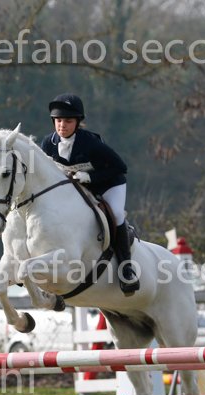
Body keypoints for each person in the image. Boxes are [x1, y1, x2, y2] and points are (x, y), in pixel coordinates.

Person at [40, 93, 139, 294]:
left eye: (68, 121)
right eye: (58, 121)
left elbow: (120, 167)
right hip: (76, 189)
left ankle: (126, 269)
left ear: (78, 122)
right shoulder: (48, 144)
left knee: (117, 214)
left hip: (108, 184)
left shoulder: (90, 143)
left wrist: (91, 177)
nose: (62, 125)